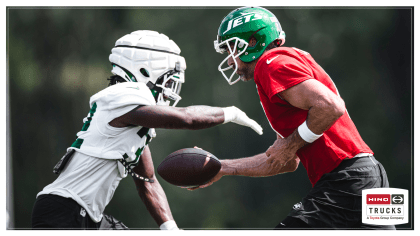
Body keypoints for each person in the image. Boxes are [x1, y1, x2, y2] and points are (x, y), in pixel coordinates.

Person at [31, 30, 263, 229]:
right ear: (145, 69)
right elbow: (187, 118)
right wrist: (230, 112)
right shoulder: (122, 96)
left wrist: (170, 228)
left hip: (85, 215)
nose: (171, 88)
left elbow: (147, 180)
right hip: (63, 212)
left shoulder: (131, 115)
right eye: (169, 79)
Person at [190, 7, 395, 229]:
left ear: (252, 42)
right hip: (368, 175)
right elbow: (286, 161)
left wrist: (290, 144)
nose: (230, 61)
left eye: (231, 48)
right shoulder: (283, 64)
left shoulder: (271, 65)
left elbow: (330, 107)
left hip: (346, 180)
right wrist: (222, 167)